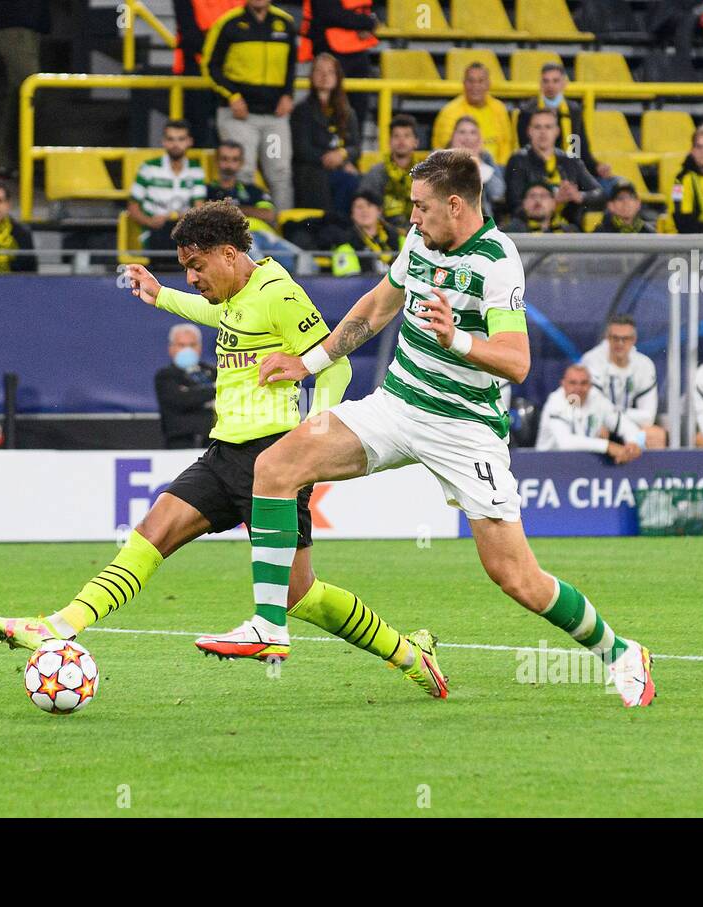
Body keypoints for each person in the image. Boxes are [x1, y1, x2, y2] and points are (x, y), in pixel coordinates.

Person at [194, 149, 657, 707]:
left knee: (515, 577)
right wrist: (310, 362)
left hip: (465, 429)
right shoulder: (420, 243)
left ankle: (620, 651)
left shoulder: (497, 262)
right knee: (274, 466)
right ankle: (270, 624)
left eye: (420, 207)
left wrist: (455, 339)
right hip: (397, 405)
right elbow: (378, 307)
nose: (411, 217)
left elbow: (516, 362)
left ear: (455, 205)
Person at [0, 201, 451, 700]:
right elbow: (213, 313)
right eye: (185, 267)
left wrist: (319, 427)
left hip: (276, 458)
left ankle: (407, 653)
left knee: (300, 596)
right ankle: (58, 625)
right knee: (152, 532)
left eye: (196, 265)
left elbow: (335, 364)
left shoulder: (279, 295)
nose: (191, 277)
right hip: (225, 453)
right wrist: (160, 295)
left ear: (229, 254)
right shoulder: (234, 295)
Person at [203, 0, 296, 211]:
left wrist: (288, 94)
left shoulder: (285, 23)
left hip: (273, 118)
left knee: (279, 173)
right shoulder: (229, 23)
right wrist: (233, 96)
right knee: (242, 172)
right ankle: (240, 235)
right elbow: (210, 66)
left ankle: (282, 233)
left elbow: (291, 65)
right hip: (239, 118)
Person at [206, 138, 301, 271]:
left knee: (303, 260)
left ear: (241, 163)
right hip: (233, 238)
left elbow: (269, 214)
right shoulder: (207, 190)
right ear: (216, 161)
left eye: (234, 160)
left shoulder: (253, 190)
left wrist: (230, 210)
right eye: (225, 159)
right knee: (255, 259)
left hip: (264, 235)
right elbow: (205, 217)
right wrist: (249, 211)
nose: (229, 165)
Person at [504, 108, 602, 226]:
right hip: (530, 230)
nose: (543, 132)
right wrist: (553, 202)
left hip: (568, 230)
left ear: (557, 131)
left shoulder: (570, 161)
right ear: (529, 131)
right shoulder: (518, 160)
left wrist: (578, 196)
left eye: (548, 127)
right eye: (538, 127)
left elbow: (600, 194)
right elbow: (514, 204)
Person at [582, 314, 667, 449]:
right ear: (607, 338)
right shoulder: (592, 361)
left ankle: (644, 471)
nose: (620, 343)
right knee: (595, 429)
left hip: (629, 425)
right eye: (615, 338)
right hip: (600, 424)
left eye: (625, 339)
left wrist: (617, 416)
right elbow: (593, 407)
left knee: (655, 435)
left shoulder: (644, 365)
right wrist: (612, 418)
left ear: (634, 339)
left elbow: (648, 417)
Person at [515, 63, 610, 183]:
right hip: (538, 172)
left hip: (571, 171)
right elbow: (525, 148)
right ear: (540, 84)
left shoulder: (574, 111)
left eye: (555, 81)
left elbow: (581, 150)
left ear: (564, 83)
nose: (550, 86)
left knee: (612, 184)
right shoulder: (527, 112)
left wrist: (597, 167)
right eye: (546, 81)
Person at [290, 52, 359, 215]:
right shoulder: (302, 110)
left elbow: (355, 147)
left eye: (330, 72)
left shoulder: (347, 111)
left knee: (357, 181)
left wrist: (342, 155)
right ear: (311, 76)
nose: (324, 76)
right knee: (348, 181)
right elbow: (302, 149)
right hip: (313, 172)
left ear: (337, 77)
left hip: (339, 170)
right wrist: (331, 159)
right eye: (319, 71)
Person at [128, 119, 207, 258]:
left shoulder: (196, 170)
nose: (176, 144)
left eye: (181, 139)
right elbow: (132, 208)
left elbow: (199, 209)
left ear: (189, 141)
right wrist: (150, 221)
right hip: (154, 231)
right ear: (163, 141)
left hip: (184, 232)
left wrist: (183, 219)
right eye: (170, 139)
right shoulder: (148, 168)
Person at [535, 364, 646, 463]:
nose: (578, 388)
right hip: (547, 465)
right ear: (563, 384)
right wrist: (607, 446)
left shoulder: (597, 399)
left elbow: (626, 425)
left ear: (590, 385)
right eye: (573, 383)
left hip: (585, 465)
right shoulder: (555, 402)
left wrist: (632, 444)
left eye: (583, 383)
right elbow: (565, 442)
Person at [171, 0, 242, 147]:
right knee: (197, 130)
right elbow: (189, 33)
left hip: (234, 71)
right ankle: (195, 168)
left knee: (233, 133)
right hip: (197, 67)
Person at [298, 0, 376, 129]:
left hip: (358, 51)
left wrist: (369, 21)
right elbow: (330, 14)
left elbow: (368, 8)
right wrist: (368, 22)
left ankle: (352, 148)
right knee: (329, 111)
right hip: (330, 50)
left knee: (357, 113)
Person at [0, 0, 48, 179]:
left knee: (18, 93)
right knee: (32, 88)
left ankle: (11, 160)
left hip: (31, 27)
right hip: (13, 25)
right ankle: (20, 158)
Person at [431, 62, 512, 166]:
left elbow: (506, 144)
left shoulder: (499, 108)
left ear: (488, 84)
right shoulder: (449, 112)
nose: (475, 86)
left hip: (496, 169)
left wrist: (500, 169)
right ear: (464, 83)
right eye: (471, 81)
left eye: (480, 81)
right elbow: (447, 148)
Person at [155, 323, 217, 449]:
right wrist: (215, 390)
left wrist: (193, 392)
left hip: (212, 443)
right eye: (182, 345)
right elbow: (181, 400)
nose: (187, 350)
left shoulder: (213, 372)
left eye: (192, 345)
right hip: (180, 444)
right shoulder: (165, 376)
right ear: (171, 348)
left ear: (199, 347)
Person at [358, 112, 417, 230]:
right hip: (385, 239)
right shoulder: (375, 174)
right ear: (389, 141)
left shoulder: (425, 175)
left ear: (416, 142)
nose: (401, 140)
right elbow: (364, 210)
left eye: (406, 136)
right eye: (396, 136)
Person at [325, 187, 399, 276]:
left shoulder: (396, 237)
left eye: (369, 205)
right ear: (352, 214)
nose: (364, 211)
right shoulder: (344, 243)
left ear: (379, 211)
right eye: (359, 207)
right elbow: (350, 284)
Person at [448, 115, 505, 217]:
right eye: (462, 132)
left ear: (479, 138)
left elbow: (497, 193)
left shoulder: (486, 158)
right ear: (453, 136)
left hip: (480, 218)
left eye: (473, 133)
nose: (468, 138)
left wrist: (478, 163)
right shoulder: (439, 156)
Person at [503, 180, 578, 233]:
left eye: (543, 196)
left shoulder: (569, 231)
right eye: (532, 196)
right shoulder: (510, 233)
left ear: (553, 203)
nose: (538, 200)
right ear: (524, 203)